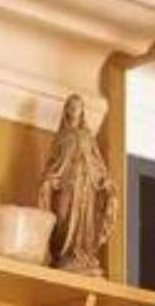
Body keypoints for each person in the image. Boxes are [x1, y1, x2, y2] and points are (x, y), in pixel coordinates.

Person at [36, 93, 115, 273]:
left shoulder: (87, 136)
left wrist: (104, 179)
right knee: (63, 217)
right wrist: (49, 179)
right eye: (71, 106)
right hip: (66, 184)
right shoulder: (61, 137)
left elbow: (96, 162)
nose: (74, 110)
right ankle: (64, 253)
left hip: (86, 185)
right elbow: (53, 162)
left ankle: (81, 253)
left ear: (82, 111)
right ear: (66, 110)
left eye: (77, 106)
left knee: (83, 220)